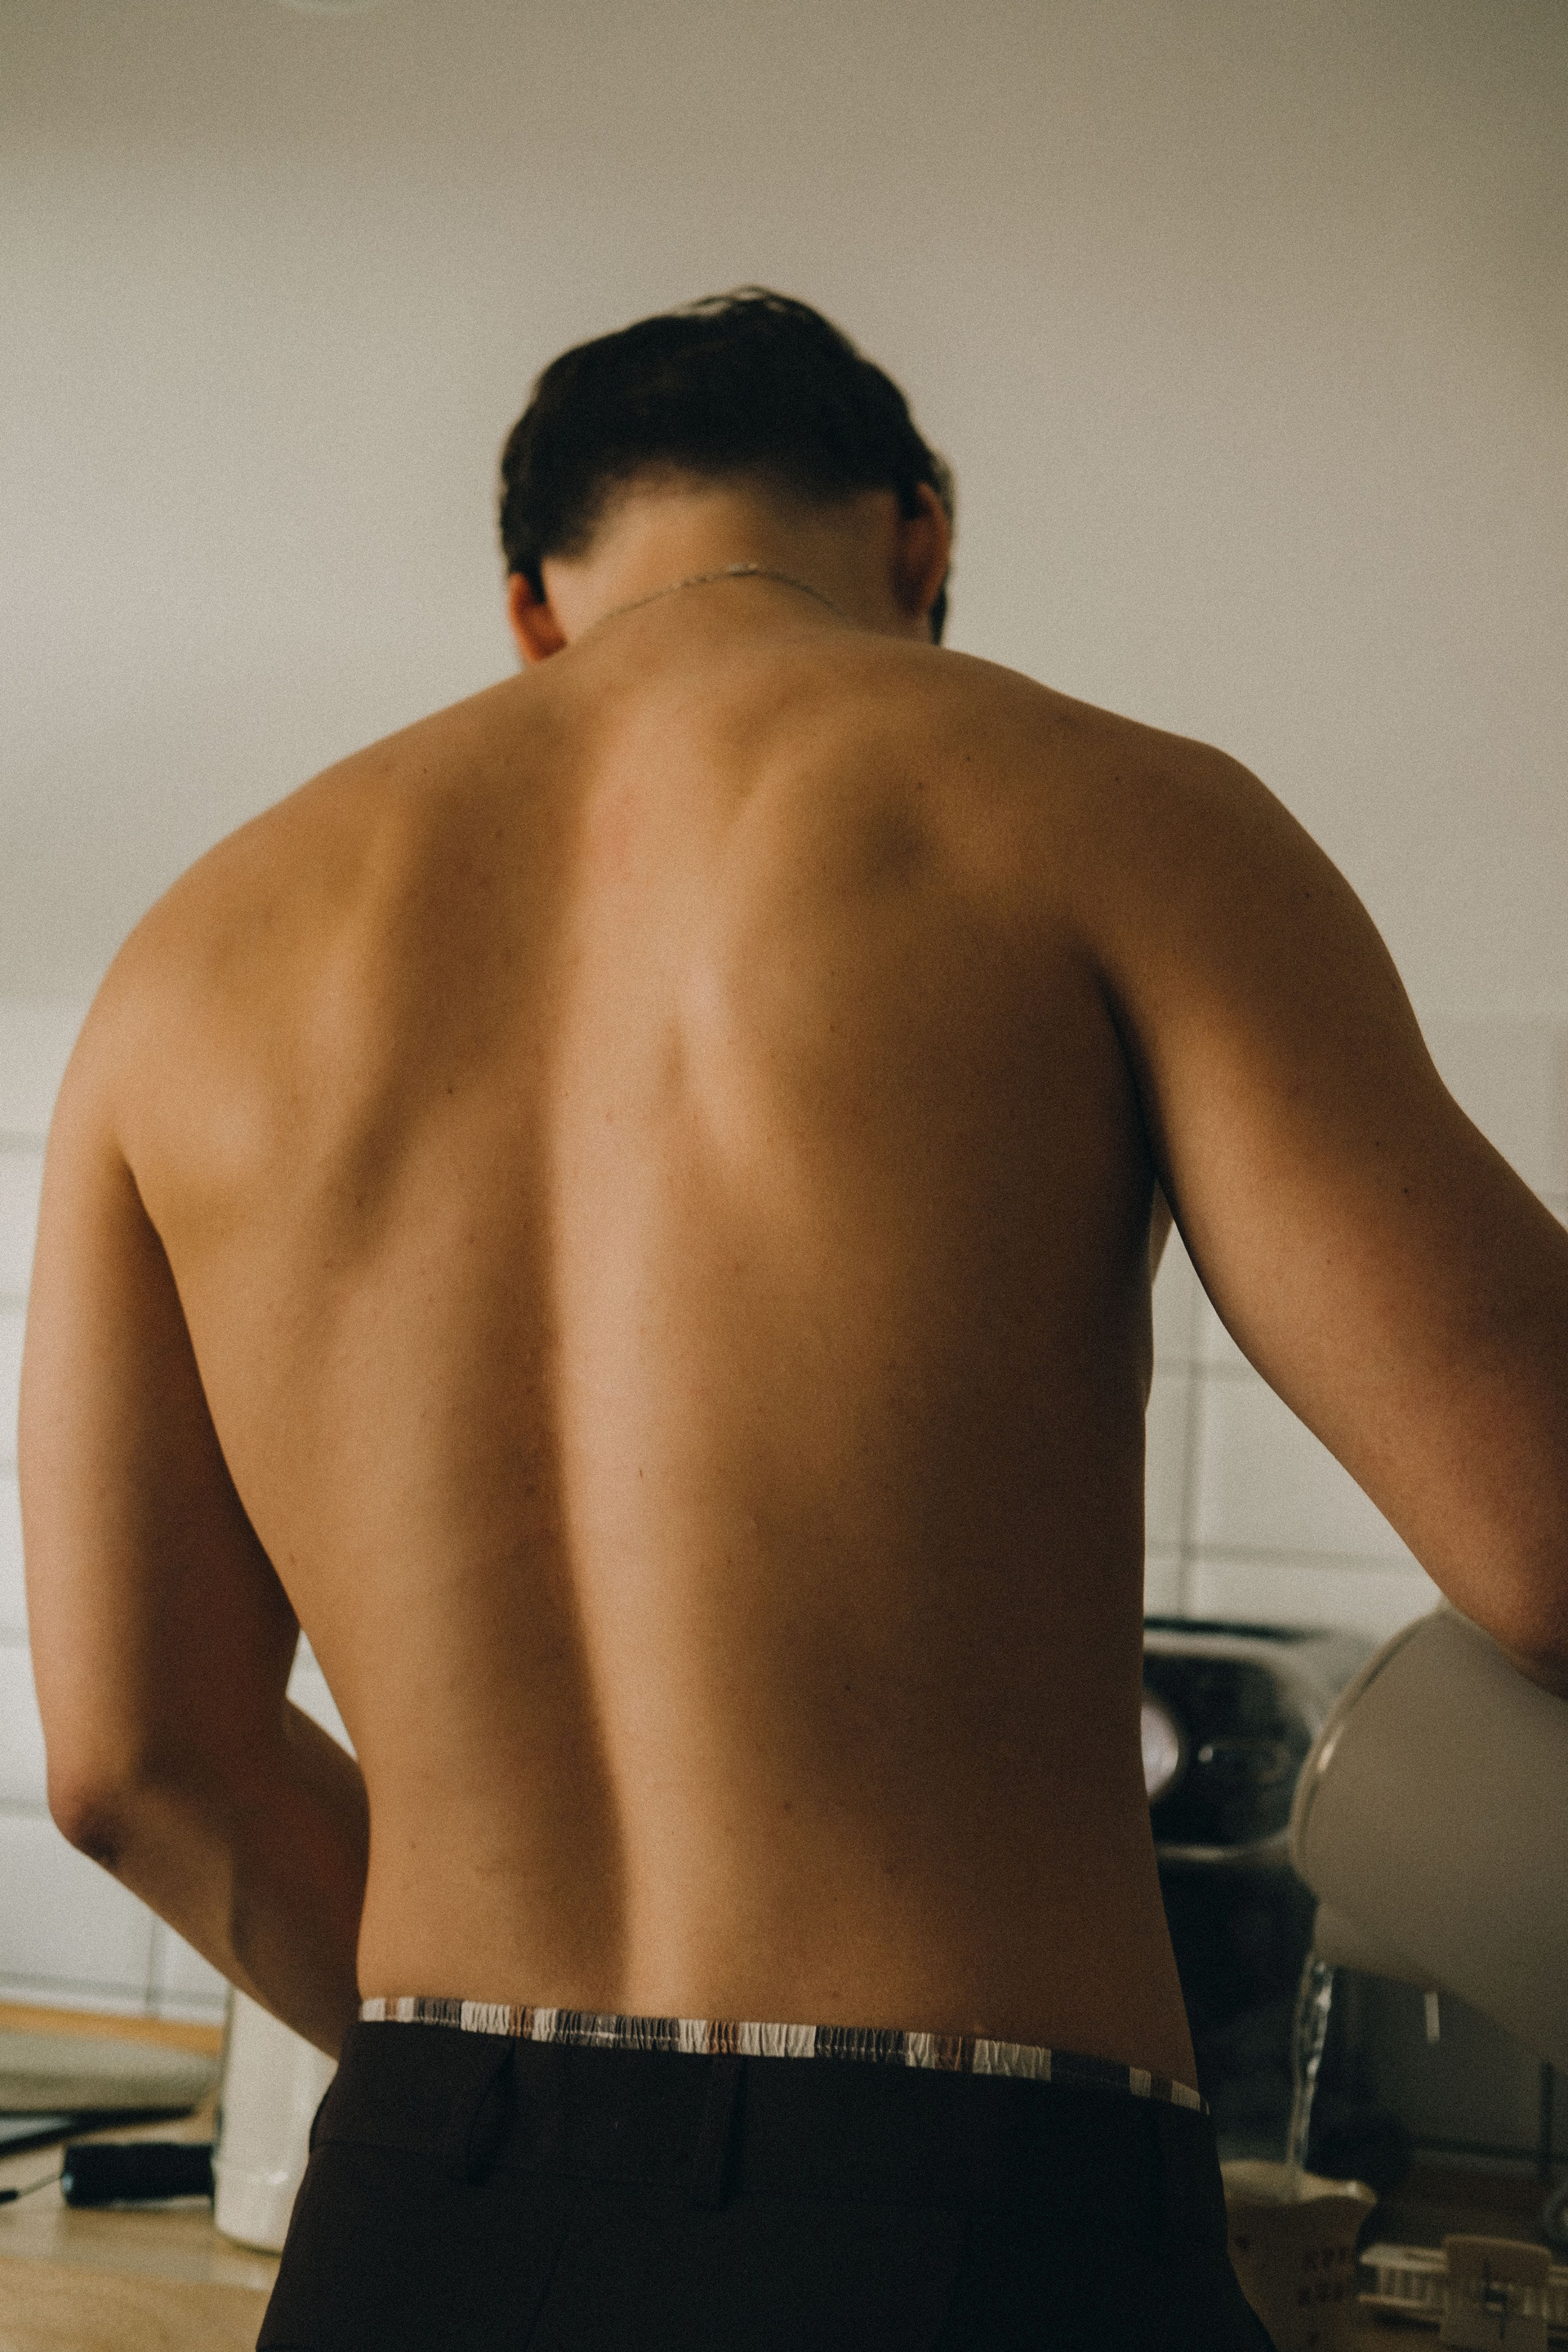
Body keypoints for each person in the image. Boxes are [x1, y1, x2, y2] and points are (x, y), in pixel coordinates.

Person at [19, 288, 1567, 2350]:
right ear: (922, 537)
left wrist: (492, 2095)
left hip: (421, 2216)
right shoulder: (1114, 815)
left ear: (531, 606)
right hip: (975, 2214)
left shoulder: (184, 964)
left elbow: (132, 1763)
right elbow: (1543, 1534)